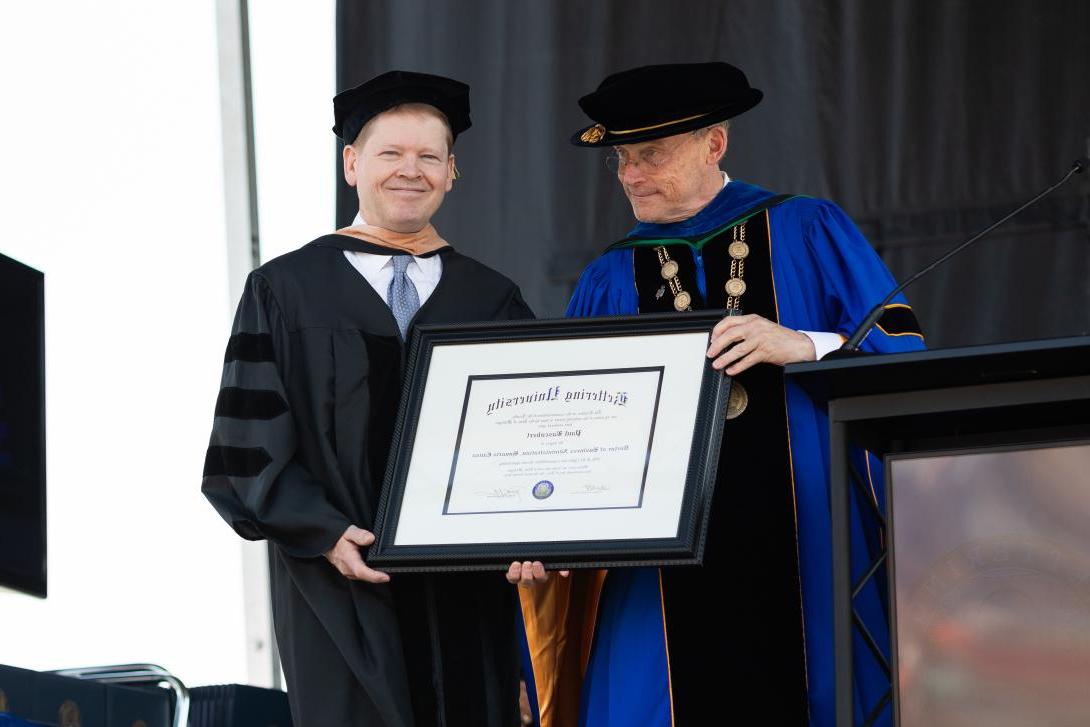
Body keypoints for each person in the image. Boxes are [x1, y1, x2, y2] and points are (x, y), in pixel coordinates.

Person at [512, 62, 925, 727]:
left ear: (714, 144)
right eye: (621, 158)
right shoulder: (611, 275)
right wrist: (544, 525)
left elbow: (902, 354)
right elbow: (577, 431)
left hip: (807, 541)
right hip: (662, 569)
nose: (630, 175)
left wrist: (806, 344)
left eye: (650, 154)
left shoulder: (808, 229)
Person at [202, 70, 532, 727]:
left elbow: (527, 439)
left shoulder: (493, 298)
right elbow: (243, 450)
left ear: (451, 171)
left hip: (469, 597)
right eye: (390, 153)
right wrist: (322, 532)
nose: (411, 170)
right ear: (352, 163)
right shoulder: (287, 290)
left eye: (429, 156)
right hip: (340, 583)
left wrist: (531, 526)